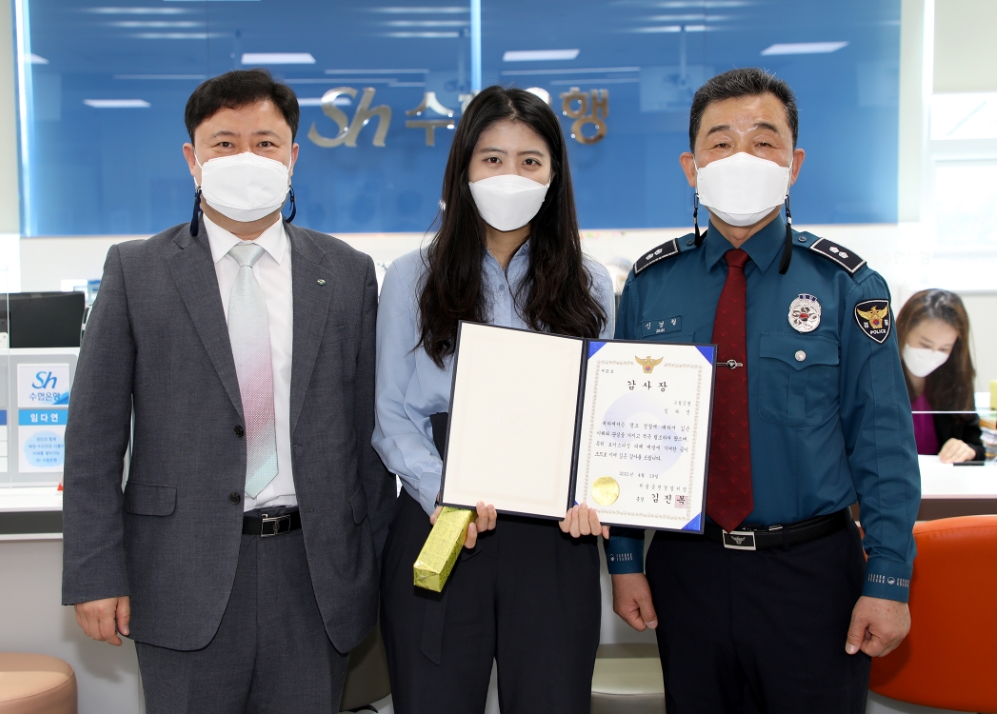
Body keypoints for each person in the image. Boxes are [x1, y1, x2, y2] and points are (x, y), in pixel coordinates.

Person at [61, 69, 395, 714]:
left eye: (266, 143)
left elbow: (368, 440)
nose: (247, 159)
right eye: (224, 143)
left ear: (293, 157)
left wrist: (369, 571)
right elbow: (95, 438)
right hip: (178, 573)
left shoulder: (347, 274)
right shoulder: (137, 271)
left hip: (316, 574)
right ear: (192, 159)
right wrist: (96, 574)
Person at [605, 68, 920, 714]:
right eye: (720, 143)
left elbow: (884, 447)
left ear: (794, 162)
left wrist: (888, 578)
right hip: (687, 570)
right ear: (691, 167)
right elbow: (627, 435)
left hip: (810, 572)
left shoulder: (848, 286)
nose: (742, 157)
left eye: (763, 141)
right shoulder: (649, 285)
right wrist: (626, 557)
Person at [372, 86, 615, 713]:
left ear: (554, 175)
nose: (512, 175)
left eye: (530, 161)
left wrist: (596, 490)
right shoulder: (411, 276)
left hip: (555, 537)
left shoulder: (591, 283)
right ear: (464, 169)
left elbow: (603, 417)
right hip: (444, 521)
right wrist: (443, 491)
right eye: (492, 159)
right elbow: (392, 417)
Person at [896, 289, 985, 462]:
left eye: (944, 348)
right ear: (903, 332)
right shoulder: (878, 377)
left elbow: (977, 446)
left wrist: (967, 450)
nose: (933, 354)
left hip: (943, 483)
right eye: (925, 344)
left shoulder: (954, 377)